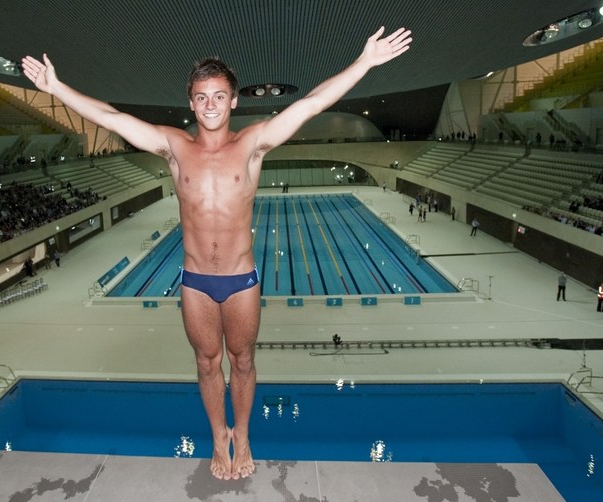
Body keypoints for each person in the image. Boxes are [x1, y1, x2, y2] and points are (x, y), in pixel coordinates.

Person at [23, 25, 412, 480]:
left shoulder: (252, 145)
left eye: (219, 96)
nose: (210, 105)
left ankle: (243, 433)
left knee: (243, 361)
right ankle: (217, 436)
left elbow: (310, 104)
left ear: (234, 101)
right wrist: (56, 88)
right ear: (191, 102)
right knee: (207, 364)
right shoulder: (173, 146)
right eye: (202, 97)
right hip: (195, 283)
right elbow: (110, 117)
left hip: (240, 278)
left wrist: (363, 62)